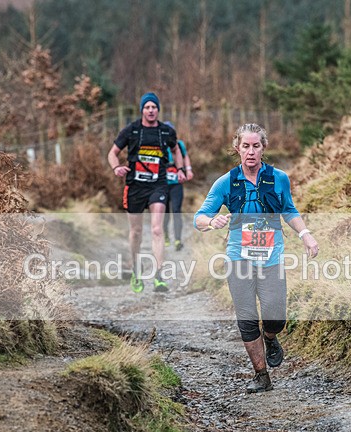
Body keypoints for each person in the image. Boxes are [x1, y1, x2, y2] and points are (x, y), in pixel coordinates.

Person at [194, 124, 319, 393]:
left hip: (272, 257)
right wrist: (212, 221)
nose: (251, 152)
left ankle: (271, 337)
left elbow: (289, 209)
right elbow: (199, 218)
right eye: (245, 146)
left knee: (276, 316)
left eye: (256, 146)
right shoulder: (225, 182)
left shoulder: (279, 179)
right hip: (239, 257)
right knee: (247, 318)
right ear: (237, 148)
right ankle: (261, 375)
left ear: (263, 148)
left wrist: (306, 235)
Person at [107, 92, 187, 293]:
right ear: (142, 110)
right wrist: (116, 168)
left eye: (154, 107)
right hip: (134, 186)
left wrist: (180, 169)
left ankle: (159, 276)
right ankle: (135, 269)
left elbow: (177, 150)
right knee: (136, 232)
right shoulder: (131, 130)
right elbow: (112, 153)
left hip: (158, 186)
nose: (151, 110)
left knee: (157, 229)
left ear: (158, 110)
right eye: (147, 107)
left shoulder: (166, 132)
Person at [162, 121, 193, 251]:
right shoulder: (159, 145)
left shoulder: (179, 145)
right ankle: (166, 237)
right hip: (162, 184)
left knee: (176, 210)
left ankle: (178, 240)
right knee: (164, 213)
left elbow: (185, 157)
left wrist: (188, 169)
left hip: (176, 184)